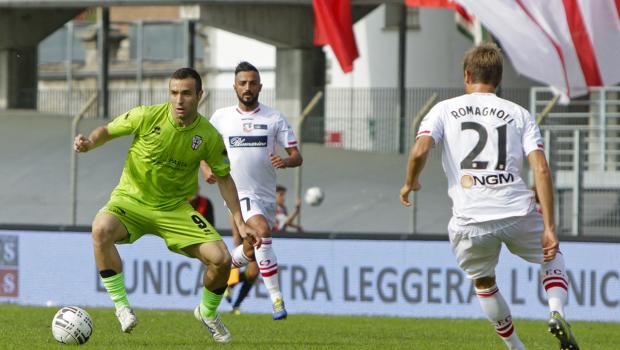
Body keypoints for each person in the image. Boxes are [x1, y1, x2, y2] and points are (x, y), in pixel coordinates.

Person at [399, 44, 578, 350]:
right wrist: (549, 228)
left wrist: (409, 183)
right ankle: (556, 312)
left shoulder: (443, 109)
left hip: (470, 220)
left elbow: (419, 150)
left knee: (484, 282)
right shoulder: (519, 114)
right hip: (517, 211)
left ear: (466, 75)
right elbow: (542, 170)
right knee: (552, 256)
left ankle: (515, 347)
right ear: (500, 78)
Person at [74, 67, 260, 344]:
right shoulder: (147, 116)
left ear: (199, 95)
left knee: (221, 261)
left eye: (186, 93)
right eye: (174, 93)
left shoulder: (208, 136)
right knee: (100, 229)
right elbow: (107, 130)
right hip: (131, 200)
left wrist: (241, 222)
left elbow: (224, 178)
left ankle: (207, 312)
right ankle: (122, 307)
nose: (179, 100)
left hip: (175, 208)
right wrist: (89, 142)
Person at [201, 61, 303, 321]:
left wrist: (286, 161)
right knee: (263, 232)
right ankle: (277, 299)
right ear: (234, 86)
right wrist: (205, 167)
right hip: (238, 192)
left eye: (252, 83)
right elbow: (200, 148)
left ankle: (221, 266)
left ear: (260, 86)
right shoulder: (221, 117)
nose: (247, 87)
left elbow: (296, 156)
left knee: (251, 249)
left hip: (266, 196)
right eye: (242, 83)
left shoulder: (273, 117)